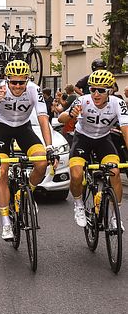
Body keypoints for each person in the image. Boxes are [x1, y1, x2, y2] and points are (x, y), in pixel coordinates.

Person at [0, 60, 56, 241]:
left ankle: (24, 195)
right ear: (7, 80)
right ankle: (5, 223)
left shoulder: (34, 90)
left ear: (27, 80)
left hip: (23, 128)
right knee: (2, 171)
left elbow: (43, 118)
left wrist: (49, 147)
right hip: (1, 128)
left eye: (21, 82)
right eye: (14, 82)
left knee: (42, 163)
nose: (17, 86)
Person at [58, 70, 128, 229]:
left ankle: (115, 216)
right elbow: (60, 118)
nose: (96, 94)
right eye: (92, 89)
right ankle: (79, 205)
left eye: (101, 90)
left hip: (103, 139)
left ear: (110, 91)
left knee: (115, 172)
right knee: (76, 173)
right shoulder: (82, 101)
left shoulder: (118, 103)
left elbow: (125, 130)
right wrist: (71, 114)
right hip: (82, 139)